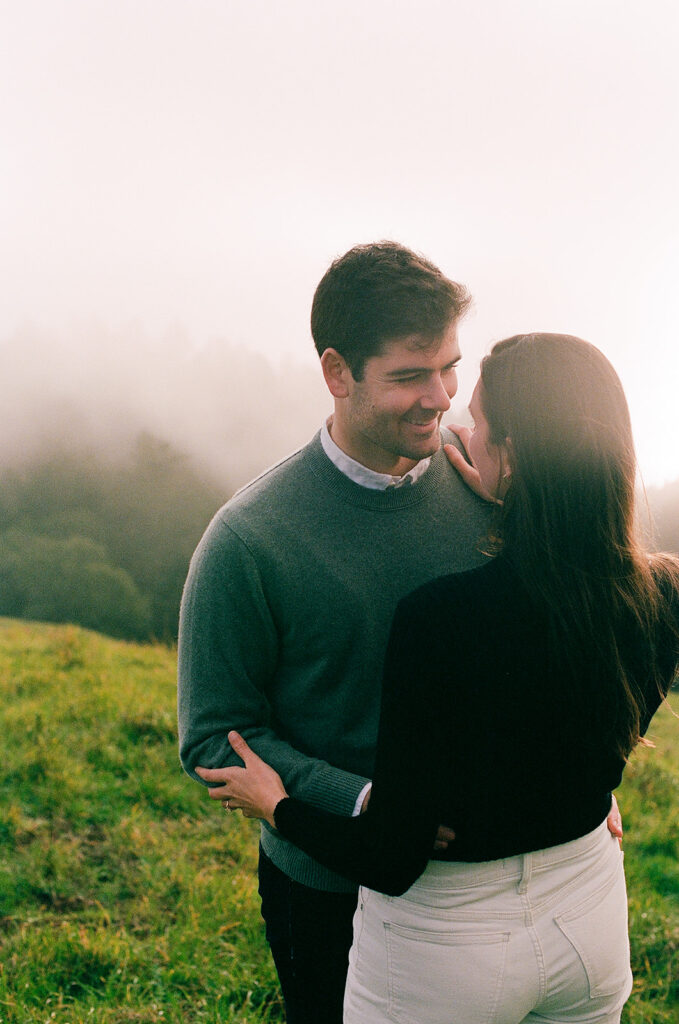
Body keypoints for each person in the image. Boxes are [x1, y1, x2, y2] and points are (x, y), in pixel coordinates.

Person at [198, 333, 679, 1024]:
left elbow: (393, 856)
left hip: (447, 947)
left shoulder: (440, 619)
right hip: (588, 922)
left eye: (478, 424)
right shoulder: (659, 595)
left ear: (511, 455)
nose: (459, 425)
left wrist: (278, 805)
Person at [177, 241, 493, 1024]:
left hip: (479, 882)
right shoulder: (250, 538)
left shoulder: (484, 485)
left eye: (449, 367)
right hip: (325, 891)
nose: (439, 396)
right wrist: (364, 803)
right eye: (408, 376)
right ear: (336, 372)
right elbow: (215, 735)